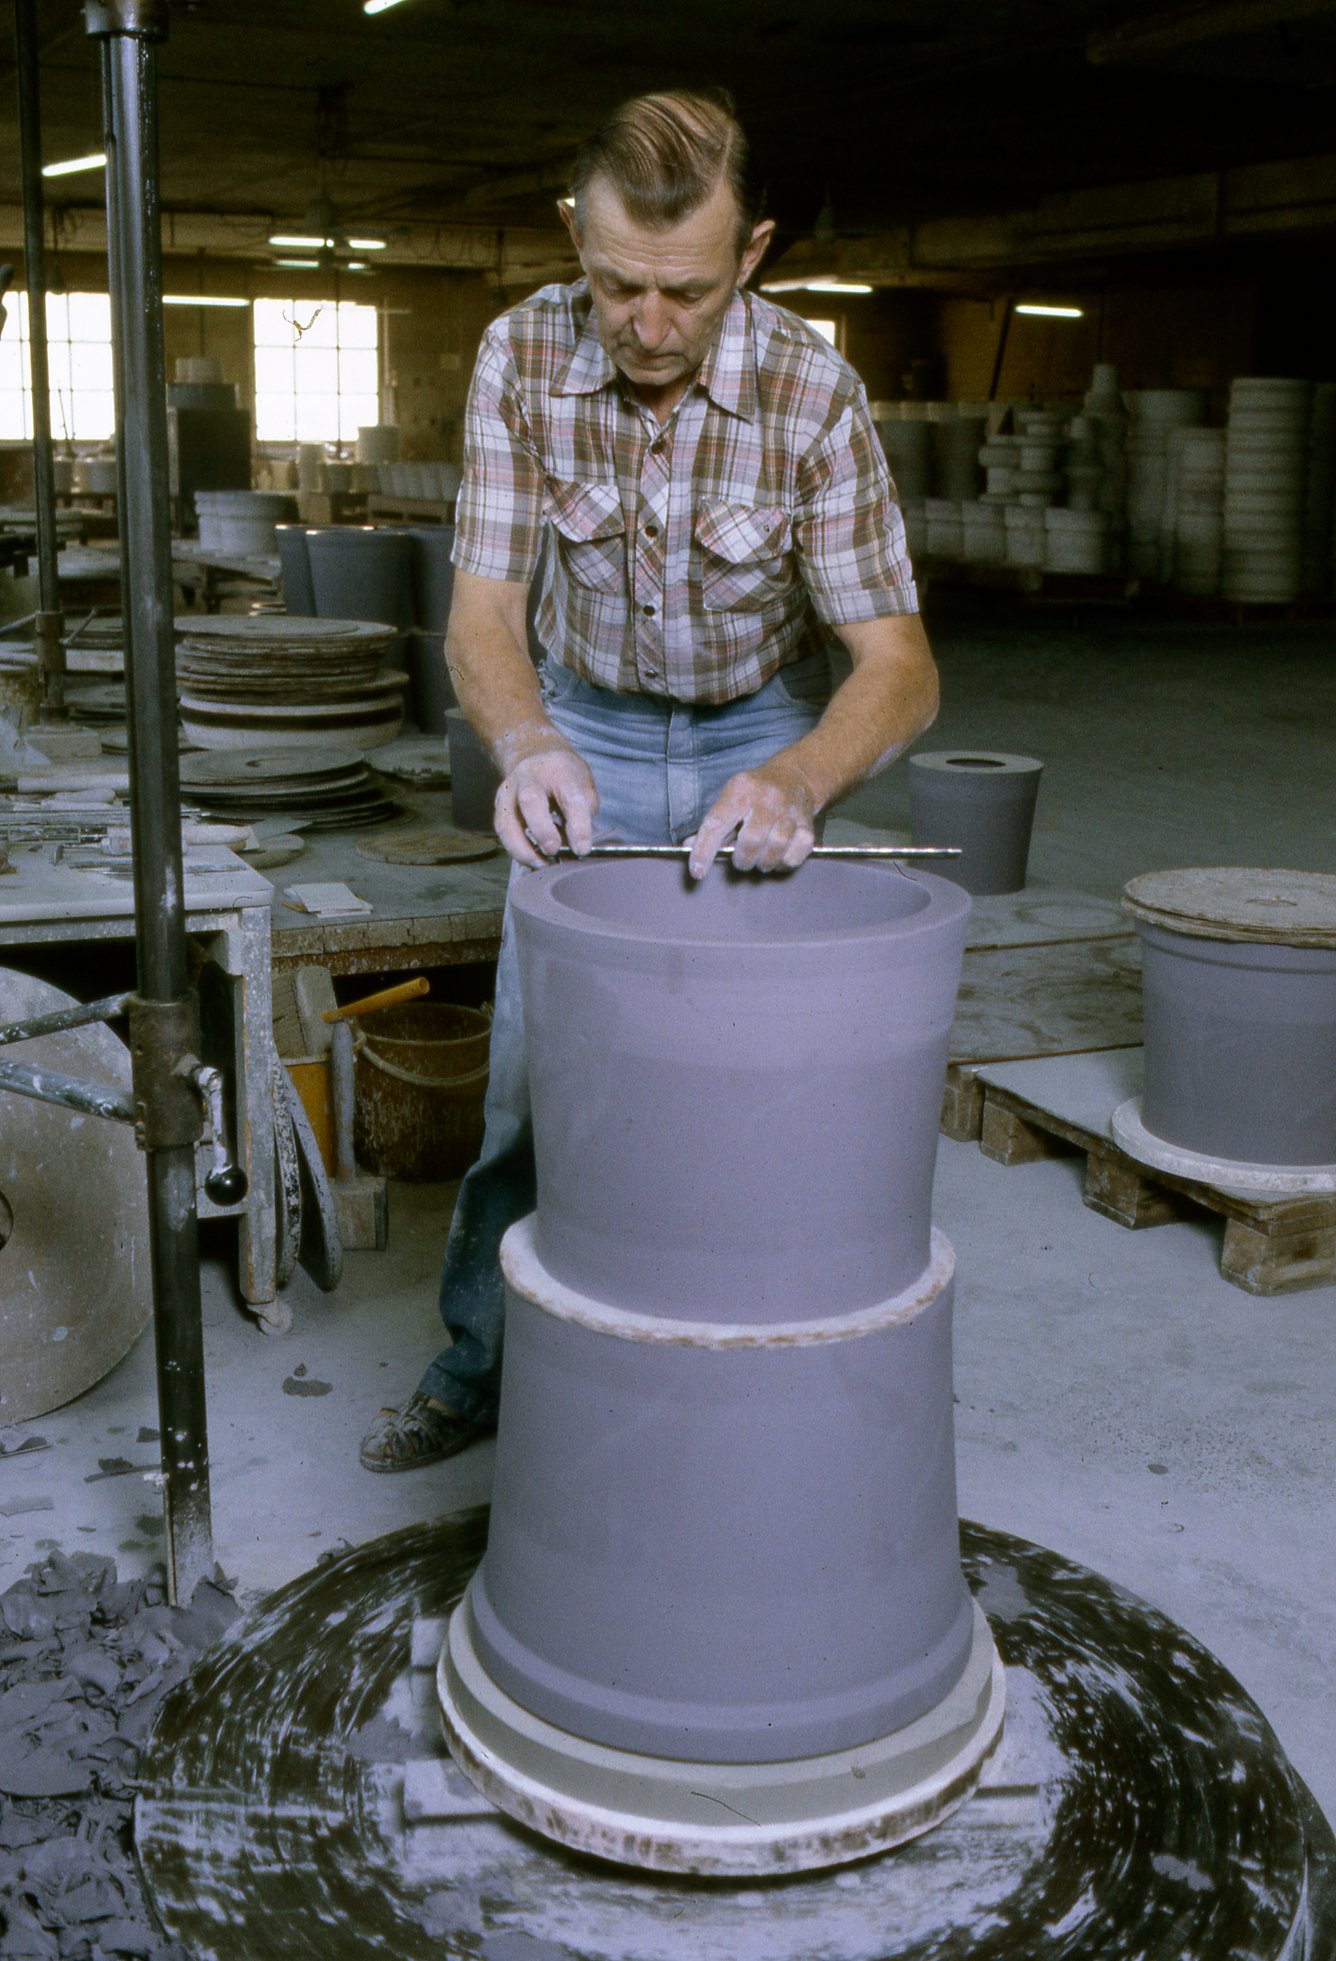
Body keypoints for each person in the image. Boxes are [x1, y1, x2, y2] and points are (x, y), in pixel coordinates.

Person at [359, 87, 939, 1472]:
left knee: (751, 1072)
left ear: (753, 254)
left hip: (765, 727)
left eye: (685, 292)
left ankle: (729, 1379)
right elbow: (483, 618)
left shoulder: (814, 390)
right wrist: (527, 741)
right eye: (618, 285)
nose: (650, 326)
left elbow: (901, 667)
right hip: (591, 725)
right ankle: (484, 1361)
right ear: (574, 237)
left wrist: (799, 779)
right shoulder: (516, 359)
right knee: (534, 1077)